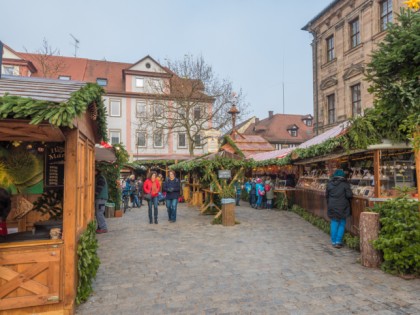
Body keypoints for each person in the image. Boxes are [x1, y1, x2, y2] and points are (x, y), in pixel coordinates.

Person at [326, 169, 353, 248]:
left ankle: (333, 241)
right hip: (342, 206)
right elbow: (349, 195)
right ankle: (338, 241)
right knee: (341, 223)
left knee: (334, 222)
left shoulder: (329, 183)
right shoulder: (345, 184)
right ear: (343, 176)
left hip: (332, 205)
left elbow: (327, 195)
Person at [95, 169, 108, 234]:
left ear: (97, 171)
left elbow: (99, 188)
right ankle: (100, 227)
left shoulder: (100, 178)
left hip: (101, 198)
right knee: (99, 212)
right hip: (101, 198)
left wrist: (94, 195)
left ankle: (103, 227)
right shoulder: (99, 177)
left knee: (99, 213)